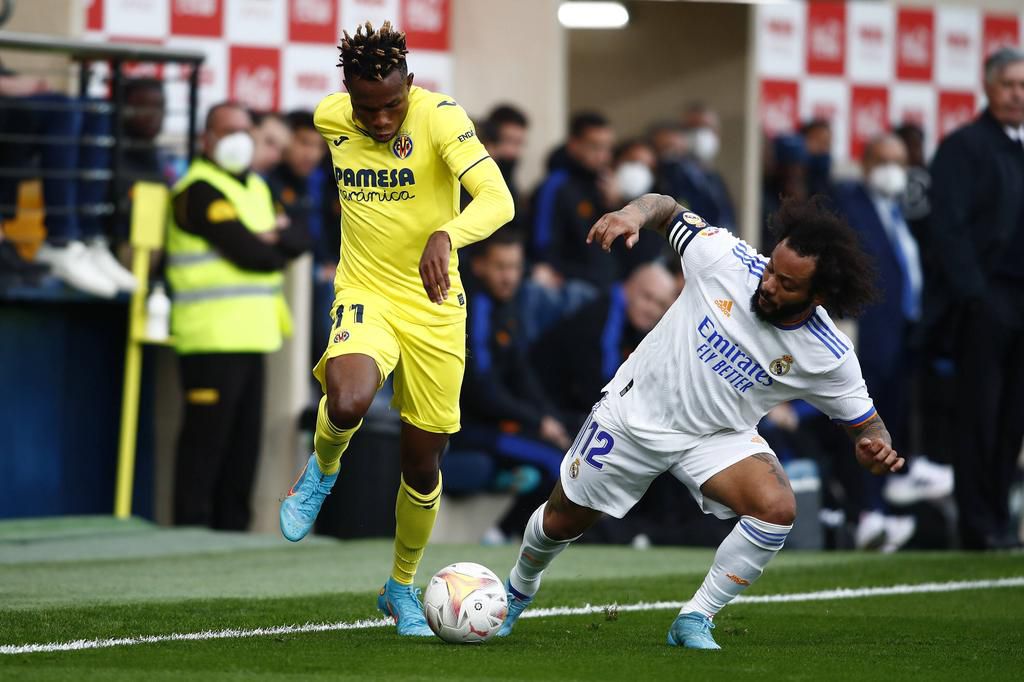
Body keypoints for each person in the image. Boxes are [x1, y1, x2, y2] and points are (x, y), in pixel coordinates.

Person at [496, 193, 905, 649]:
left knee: (776, 509)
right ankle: (518, 590)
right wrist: (632, 215)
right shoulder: (723, 258)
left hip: (716, 436)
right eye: (771, 268)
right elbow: (666, 208)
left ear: (820, 295)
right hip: (637, 413)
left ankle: (695, 617)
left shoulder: (828, 354)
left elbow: (868, 424)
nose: (769, 284)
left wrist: (874, 446)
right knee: (562, 521)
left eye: (787, 283)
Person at [277, 21, 514, 636]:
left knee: (422, 462)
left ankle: (400, 587)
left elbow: (498, 200)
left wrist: (447, 234)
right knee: (347, 399)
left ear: (410, 83)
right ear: (347, 96)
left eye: (391, 105)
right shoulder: (330, 118)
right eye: (367, 108)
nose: (381, 120)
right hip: (366, 292)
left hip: (435, 303)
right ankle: (321, 470)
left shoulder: (440, 117)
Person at [166, 102, 310, 530]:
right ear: (206, 139)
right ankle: (190, 532)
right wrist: (270, 242)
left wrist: (269, 240)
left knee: (244, 450)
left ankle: (233, 535)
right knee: (204, 446)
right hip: (210, 338)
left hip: (254, 336)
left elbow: (301, 237)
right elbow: (252, 254)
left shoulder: (258, 187)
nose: (239, 140)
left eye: (246, 131)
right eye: (228, 131)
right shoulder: (197, 190)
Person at [927, 47, 1024, 551]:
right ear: (988, 87)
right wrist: (976, 295)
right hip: (985, 301)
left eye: (1023, 86)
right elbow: (948, 228)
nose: (1017, 94)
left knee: (1013, 420)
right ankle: (977, 524)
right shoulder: (963, 147)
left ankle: (1001, 519)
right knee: (979, 416)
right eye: (1009, 84)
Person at [832, 134, 921, 551]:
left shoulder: (900, 211)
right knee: (864, 425)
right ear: (866, 164)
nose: (892, 170)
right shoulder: (850, 204)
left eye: (899, 162)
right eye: (883, 160)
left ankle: (881, 509)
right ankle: (865, 512)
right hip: (867, 334)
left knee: (893, 423)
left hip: (902, 334)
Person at [456, 228, 572, 539]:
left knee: (568, 445)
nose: (509, 277)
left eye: (515, 267)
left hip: (500, 424)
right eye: (500, 267)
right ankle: (506, 533)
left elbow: (523, 375)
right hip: (470, 428)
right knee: (558, 464)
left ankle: (510, 530)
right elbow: (480, 391)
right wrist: (537, 421)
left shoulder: (507, 305)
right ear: (479, 266)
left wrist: (549, 418)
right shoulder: (475, 307)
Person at [529, 111, 618, 290]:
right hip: (572, 286)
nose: (603, 156)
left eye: (607, 148)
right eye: (595, 147)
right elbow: (542, 242)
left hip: (607, 284)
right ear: (573, 145)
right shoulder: (555, 185)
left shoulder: (605, 187)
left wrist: (615, 206)